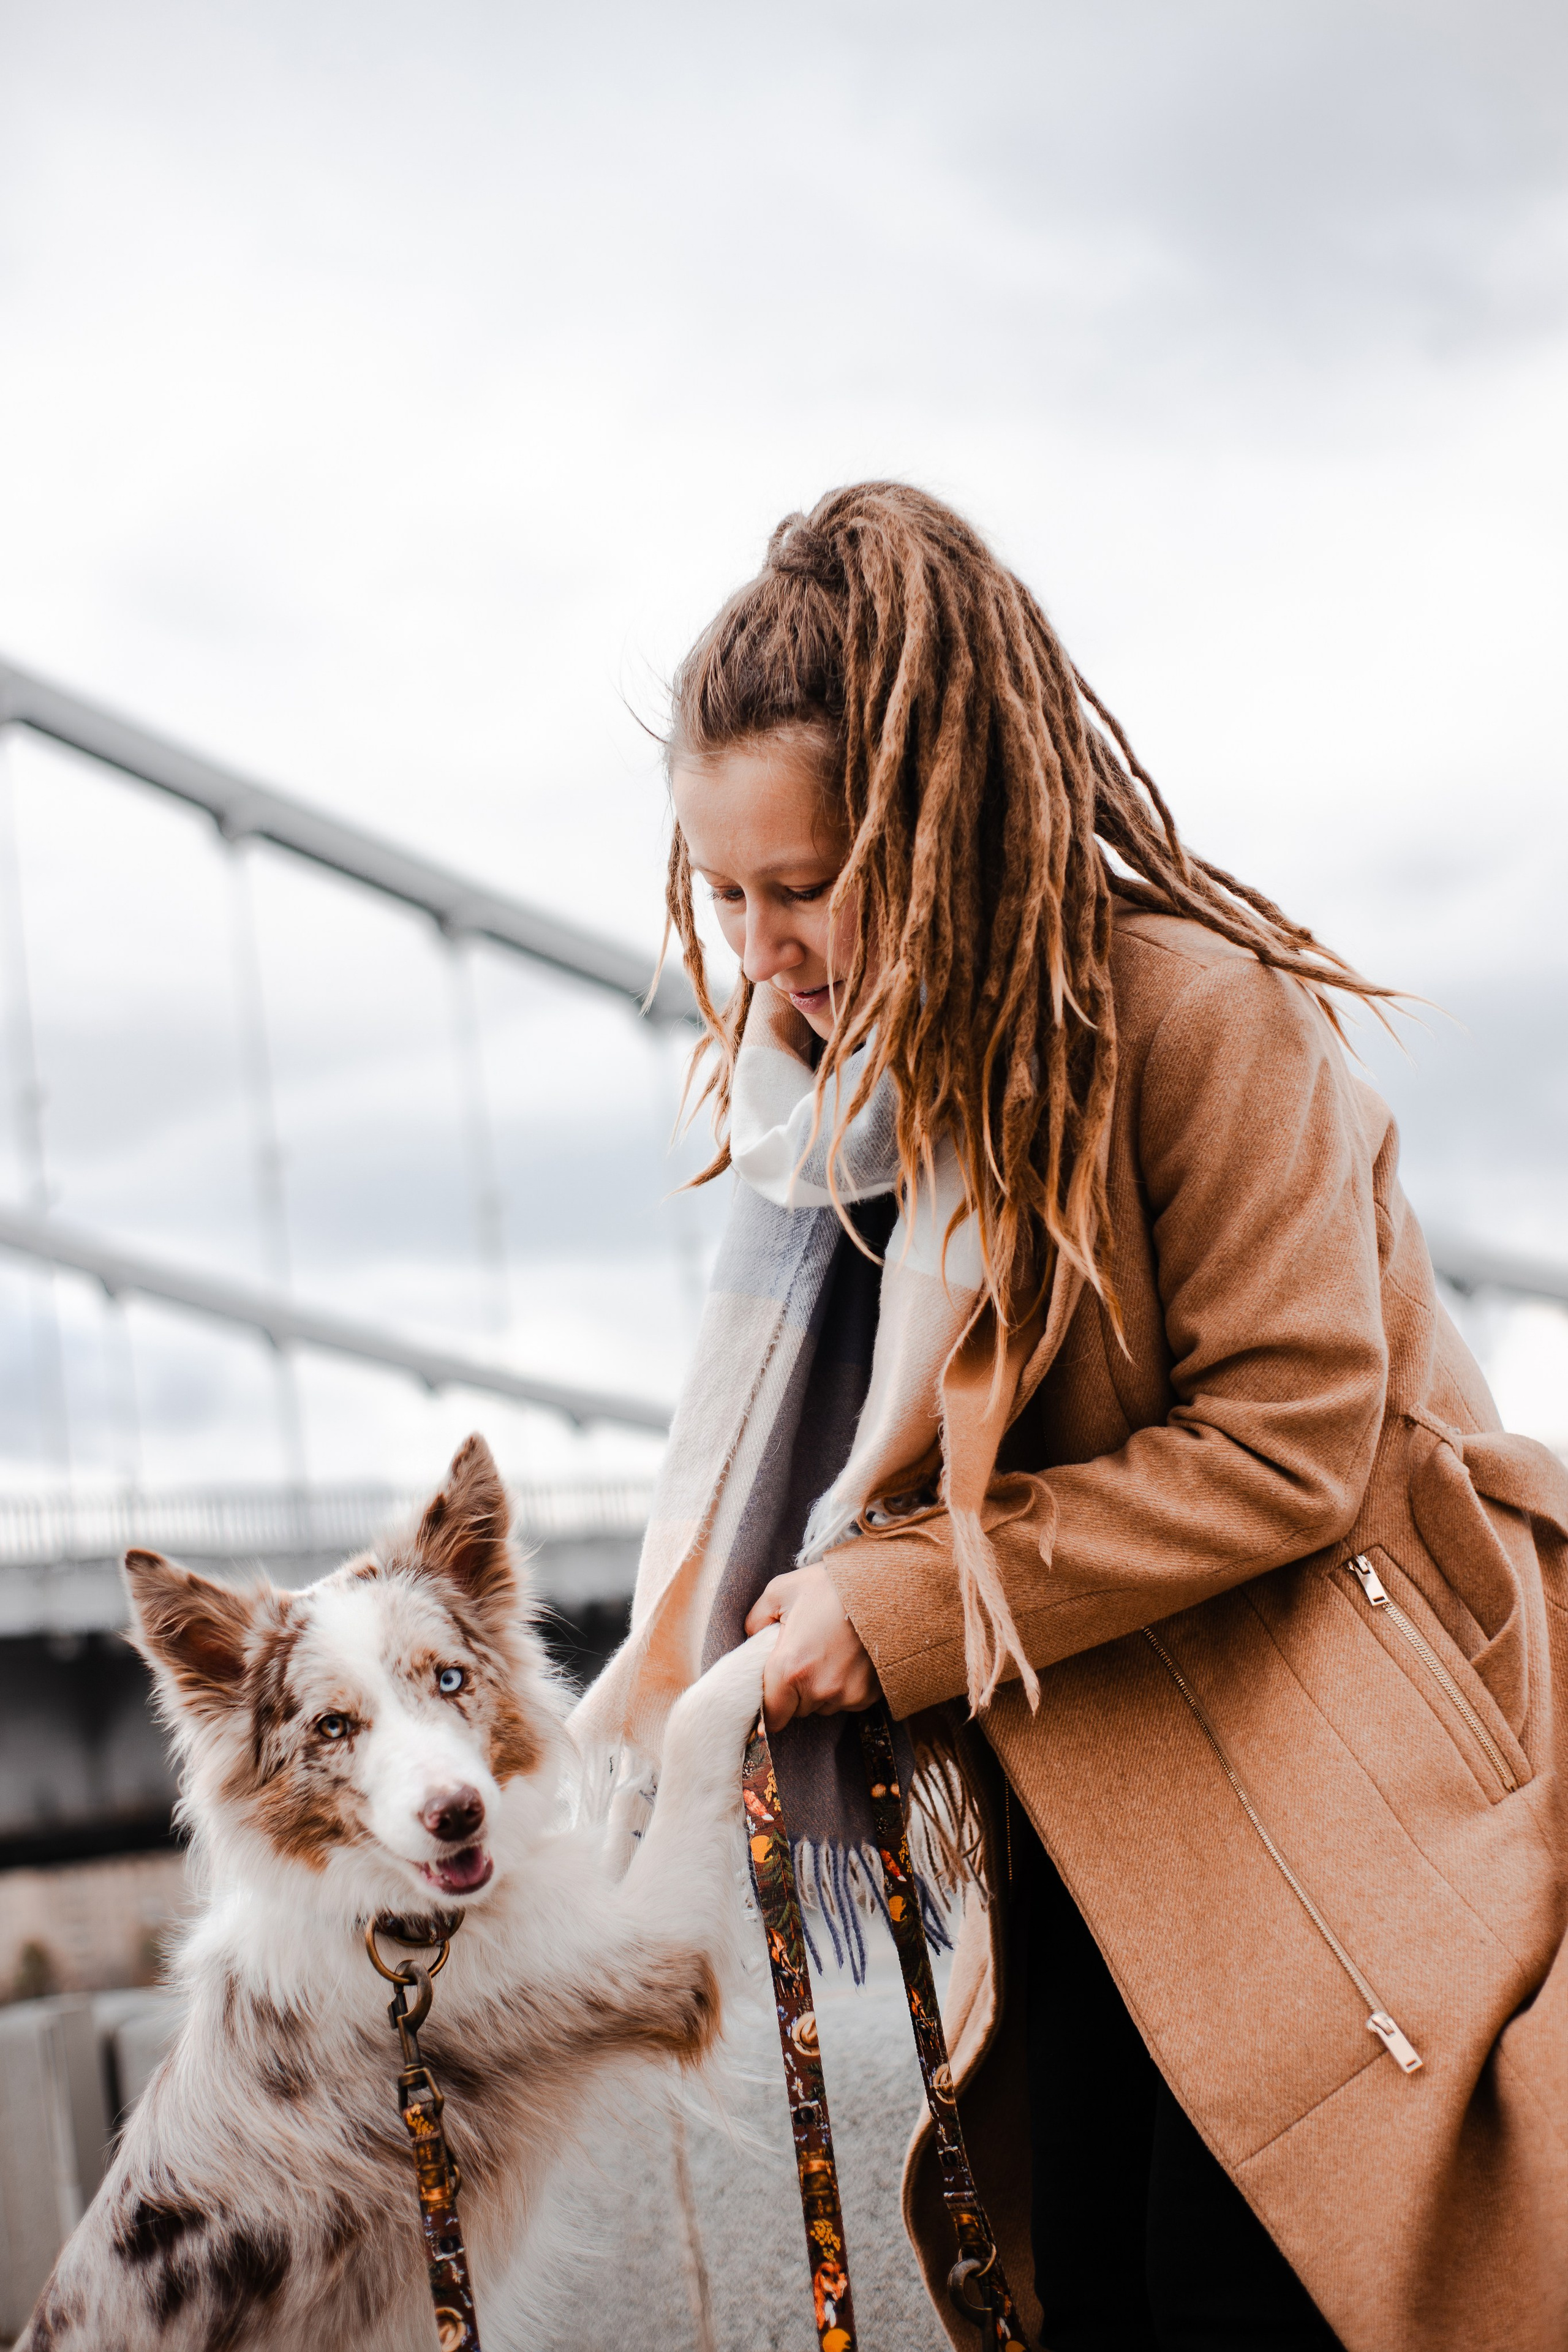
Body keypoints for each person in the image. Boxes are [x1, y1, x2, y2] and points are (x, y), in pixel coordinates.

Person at [574, 482, 1568, 2351]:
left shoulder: (1202, 1017)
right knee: (1092, 2290)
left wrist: (898, 1605)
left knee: (1266, 2290)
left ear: (939, 827)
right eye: (726, 896)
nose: (766, 951)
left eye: (807, 884)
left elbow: (1293, 1442)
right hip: (1103, 1817)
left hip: (1343, 1786)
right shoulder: (842, 1136)